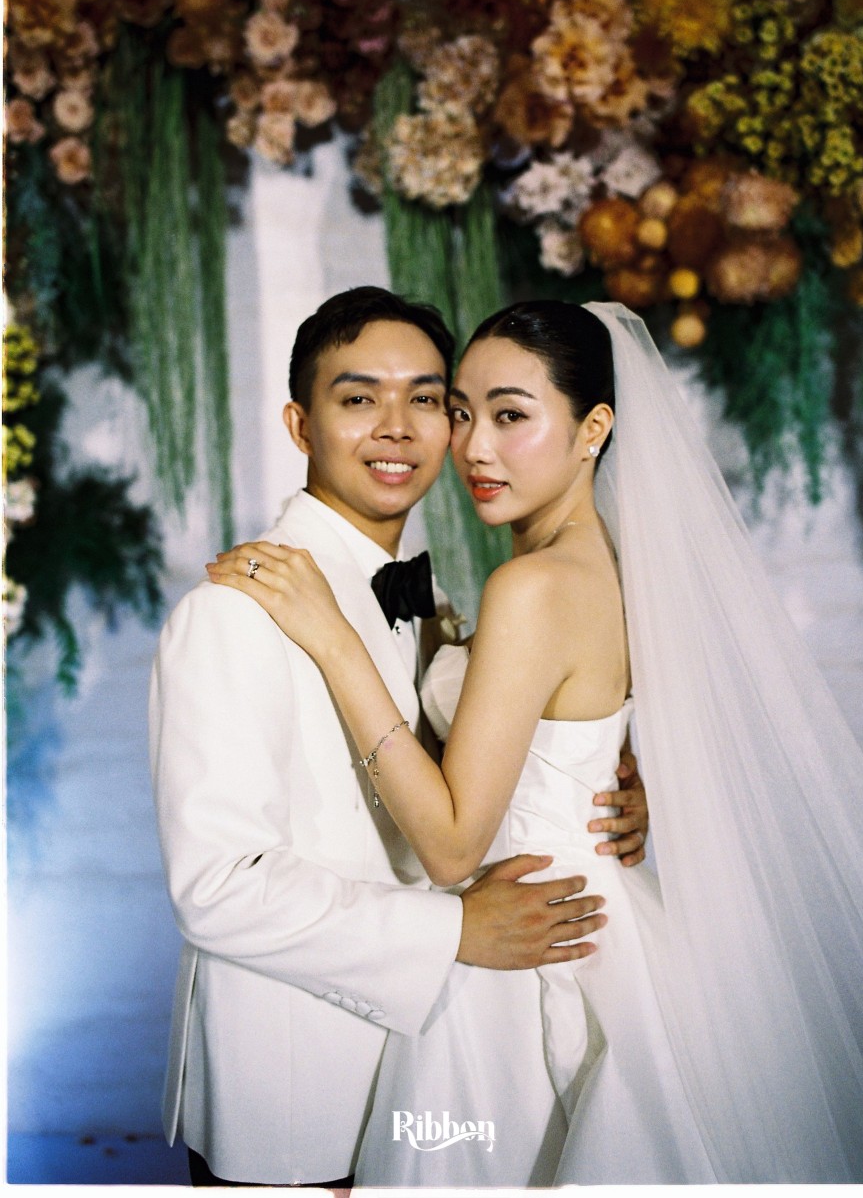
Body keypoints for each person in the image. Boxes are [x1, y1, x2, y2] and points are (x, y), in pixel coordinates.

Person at [209, 299, 863, 1185]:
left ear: (593, 428)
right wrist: (626, 783)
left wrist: (335, 641)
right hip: (594, 914)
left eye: (512, 416)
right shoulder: (612, 563)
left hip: (522, 937)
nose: (475, 448)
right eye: (463, 412)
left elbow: (454, 846)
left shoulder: (533, 586)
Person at [149, 287, 650, 1188]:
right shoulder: (235, 611)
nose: (398, 426)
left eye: (427, 399)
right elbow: (218, 887)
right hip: (300, 1091)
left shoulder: (435, 601)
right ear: (300, 424)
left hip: (454, 1063)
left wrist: (609, 780)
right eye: (358, 397)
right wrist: (452, 930)